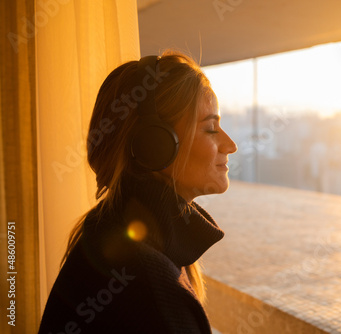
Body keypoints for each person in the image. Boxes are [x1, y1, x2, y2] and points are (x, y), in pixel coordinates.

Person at [38, 50, 237, 333]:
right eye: (210, 129)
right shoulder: (149, 286)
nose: (230, 145)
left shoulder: (109, 229)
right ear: (155, 146)